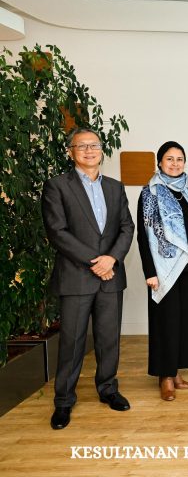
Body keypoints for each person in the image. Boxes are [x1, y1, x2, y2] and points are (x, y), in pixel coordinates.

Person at [42, 127, 135, 430]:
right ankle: (63, 401)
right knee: (72, 341)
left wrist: (112, 259)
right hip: (76, 276)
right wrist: (96, 262)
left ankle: (108, 389)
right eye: (81, 146)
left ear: (101, 150)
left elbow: (127, 227)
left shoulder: (115, 187)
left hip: (111, 275)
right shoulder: (57, 186)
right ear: (71, 152)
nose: (89, 150)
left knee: (109, 339)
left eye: (94, 145)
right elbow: (57, 232)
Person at [136, 141, 188, 401]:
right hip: (162, 268)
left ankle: (176, 371)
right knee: (164, 322)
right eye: (169, 159)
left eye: (179, 159)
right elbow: (143, 236)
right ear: (159, 162)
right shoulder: (150, 192)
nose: (175, 164)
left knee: (183, 322)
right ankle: (164, 376)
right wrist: (149, 271)